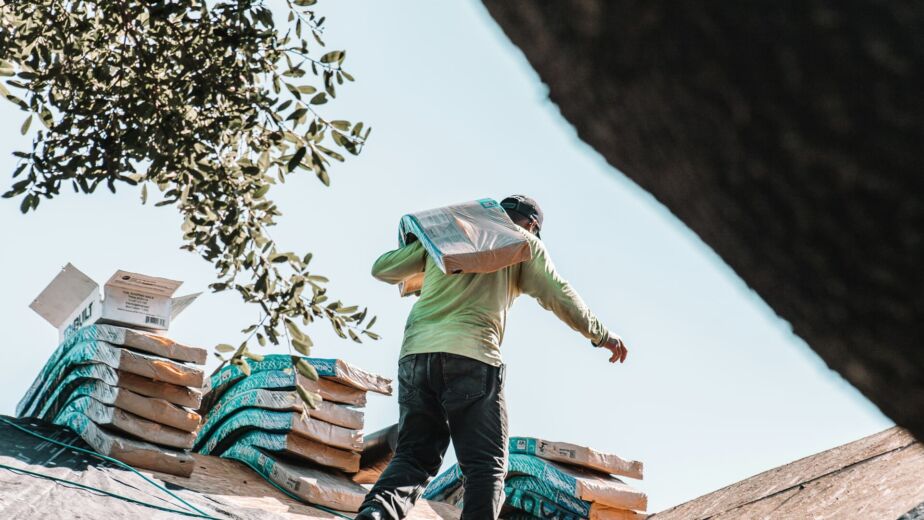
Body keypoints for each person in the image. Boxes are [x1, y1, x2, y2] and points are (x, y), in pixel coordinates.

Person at [356, 195, 629, 520]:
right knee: (486, 465)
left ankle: (374, 514)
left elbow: (382, 269)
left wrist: (422, 247)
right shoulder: (524, 243)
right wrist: (602, 336)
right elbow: (558, 294)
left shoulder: (451, 234)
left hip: (416, 356)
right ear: (532, 225)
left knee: (413, 456)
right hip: (472, 358)